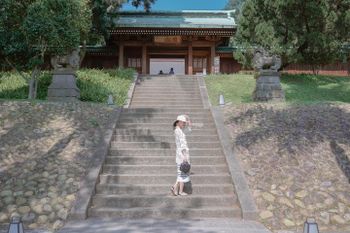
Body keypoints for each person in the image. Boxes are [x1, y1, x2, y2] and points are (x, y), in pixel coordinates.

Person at [171, 115, 191, 196]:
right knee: (181, 173)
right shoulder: (178, 131)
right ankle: (175, 187)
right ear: (178, 122)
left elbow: (187, 132)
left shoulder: (178, 130)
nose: (184, 124)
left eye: (184, 123)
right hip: (182, 154)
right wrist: (184, 156)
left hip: (180, 153)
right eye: (183, 122)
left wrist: (189, 124)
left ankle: (179, 191)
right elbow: (182, 144)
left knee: (181, 173)